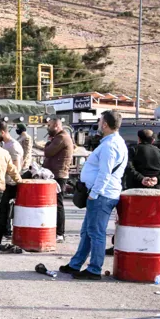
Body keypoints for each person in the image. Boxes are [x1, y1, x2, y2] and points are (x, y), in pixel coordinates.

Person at [59, 110, 127, 280]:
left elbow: (105, 173)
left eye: (100, 121)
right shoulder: (113, 142)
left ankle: (94, 269)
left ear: (105, 124)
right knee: (87, 231)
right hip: (101, 193)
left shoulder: (110, 145)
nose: (98, 124)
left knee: (96, 233)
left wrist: (94, 193)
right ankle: (75, 264)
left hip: (102, 195)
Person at [0, 121, 24, 247]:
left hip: (9, 183)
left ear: (3, 132)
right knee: (2, 211)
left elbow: (16, 167)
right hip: (4, 181)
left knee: (3, 211)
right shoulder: (6, 145)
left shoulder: (13, 146)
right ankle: (3, 232)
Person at [43, 117, 74, 242]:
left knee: (58, 204)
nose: (48, 128)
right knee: (55, 204)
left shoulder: (61, 137)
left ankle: (60, 233)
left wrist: (48, 143)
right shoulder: (60, 137)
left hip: (58, 175)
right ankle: (57, 231)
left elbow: (48, 152)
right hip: (56, 174)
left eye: (49, 125)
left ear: (56, 126)